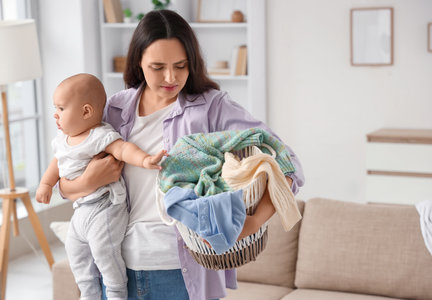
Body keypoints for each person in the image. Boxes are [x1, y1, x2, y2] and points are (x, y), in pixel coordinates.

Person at [57, 10, 305, 300]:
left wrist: (250, 223)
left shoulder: (212, 108)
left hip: (180, 274)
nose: (171, 77)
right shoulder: (113, 110)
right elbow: (64, 181)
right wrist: (86, 182)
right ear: (138, 62)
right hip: (115, 273)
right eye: (158, 67)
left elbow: (289, 165)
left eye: (180, 65)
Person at [36, 73, 167, 300]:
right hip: (81, 211)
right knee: (75, 251)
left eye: (61, 108)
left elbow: (124, 149)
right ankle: (89, 293)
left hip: (105, 207)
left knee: (104, 252)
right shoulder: (62, 139)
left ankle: (116, 292)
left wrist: (145, 160)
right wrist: (46, 184)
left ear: (86, 111)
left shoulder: (99, 135)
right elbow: (56, 163)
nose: (55, 114)